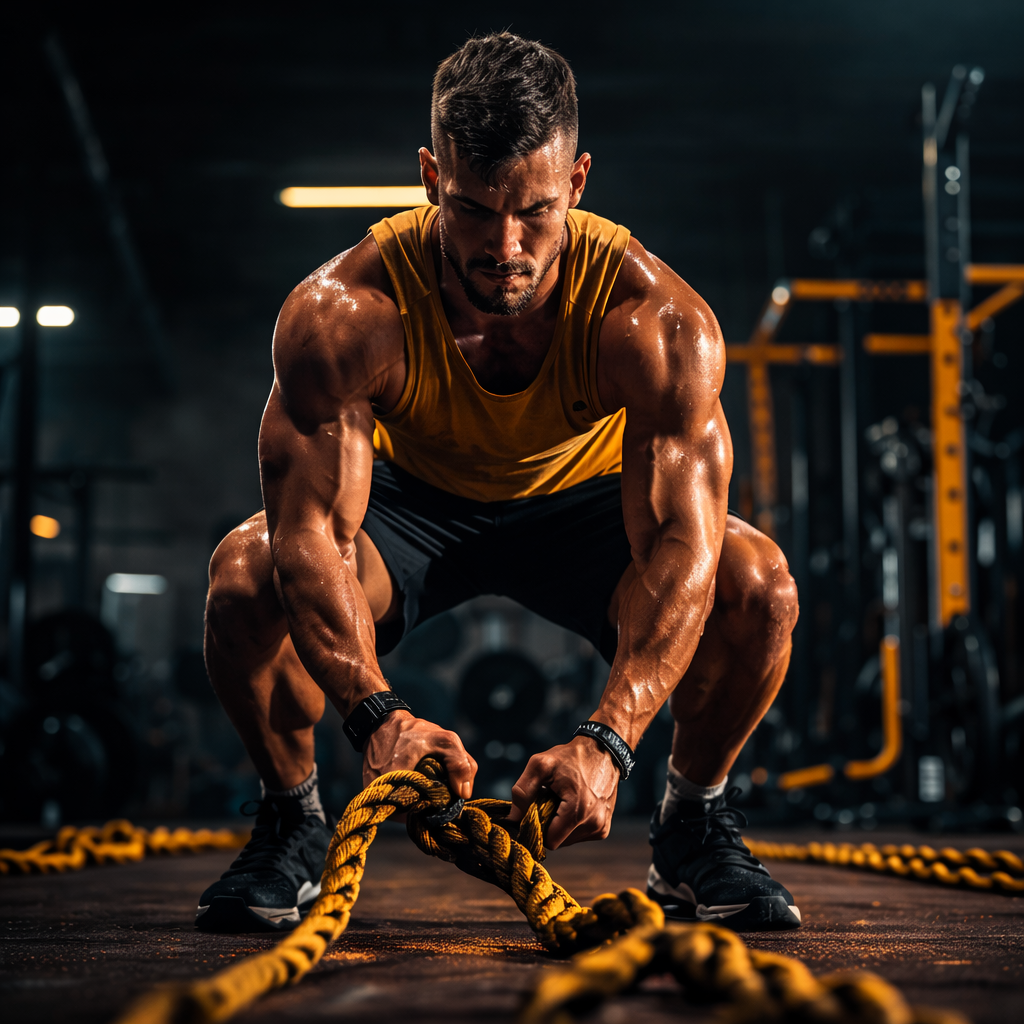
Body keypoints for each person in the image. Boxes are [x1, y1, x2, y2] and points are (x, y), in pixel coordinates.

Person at [198, 32, 801, 934]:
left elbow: (684, 548)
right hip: (412, 506)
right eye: (475, 211)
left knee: (759, 586)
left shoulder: (658, 323)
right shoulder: (343, 317)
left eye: (536, 211)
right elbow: (310, 536)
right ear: (431, 178)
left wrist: (608, 742)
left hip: (586, 505)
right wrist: (378, 718)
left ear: (578, 182)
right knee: (244, 575)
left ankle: (693, 822)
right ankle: (293, 820)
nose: (506, 246)